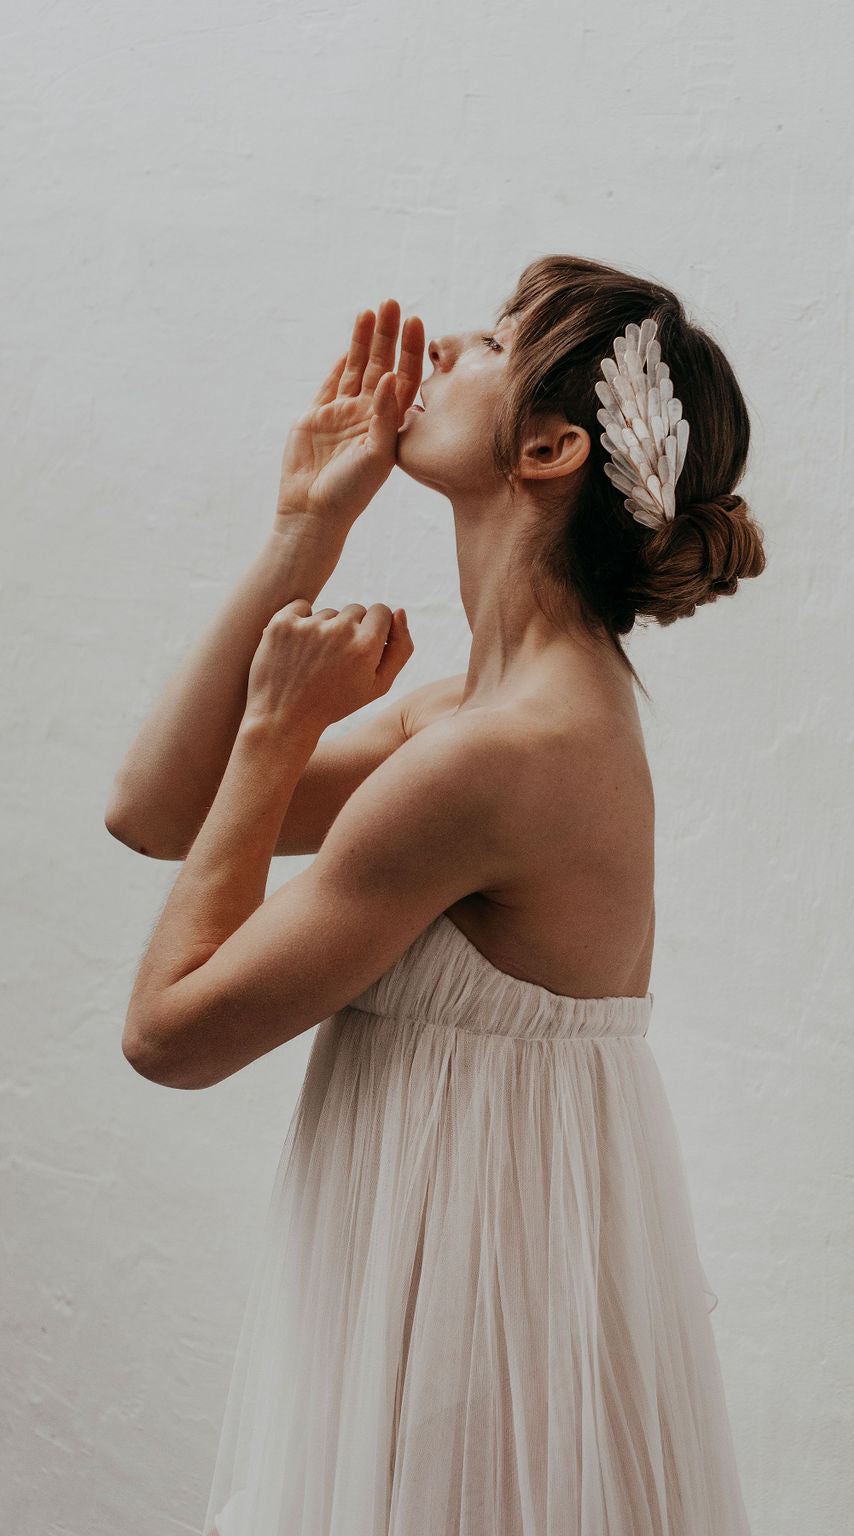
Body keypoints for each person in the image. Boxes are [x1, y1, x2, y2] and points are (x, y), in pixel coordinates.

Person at [107, 252, 766, 1535]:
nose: (449, 344)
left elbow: (167, 1033)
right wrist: (306, 525)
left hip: (472, 1338)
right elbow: (153, 809)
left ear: (548, 448)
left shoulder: (496, 760)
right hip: (450, 1295)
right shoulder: (474, 716)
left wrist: (272, 735)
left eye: (493, 339)